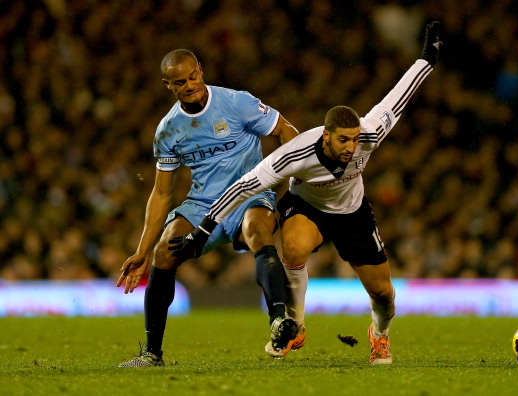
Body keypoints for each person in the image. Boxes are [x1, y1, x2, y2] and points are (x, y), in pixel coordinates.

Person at [168, 21, 443, 364]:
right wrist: (204, 230)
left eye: (355, 139)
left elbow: (398, 97)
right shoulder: (297, 153)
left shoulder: (369, 134)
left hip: (352, 212)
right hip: (306, 206)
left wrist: (426, 59)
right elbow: (243, 186)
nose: (351, 147)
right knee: (294, 246)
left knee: (383, 293)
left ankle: (380, 334)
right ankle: (295, 324)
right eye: (344, 139)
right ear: (326, 136)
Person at [117, 49, 300, 367]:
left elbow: (286, 132)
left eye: (193, 76)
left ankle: (279, 320)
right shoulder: (169, 130)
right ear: (167, 85)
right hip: (203, 205)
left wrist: (300, 178)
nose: (189, 85)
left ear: (200, 70)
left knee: (258, 231)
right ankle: (151, 352)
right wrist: (143, 252)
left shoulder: (236, 102)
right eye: (179, 82)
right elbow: (162, 194)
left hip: (250, 198)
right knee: (165, 251)